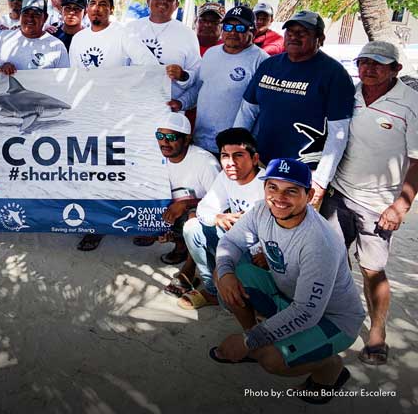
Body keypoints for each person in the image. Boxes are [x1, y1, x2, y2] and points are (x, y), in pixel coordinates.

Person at [213, 158, 365, 405]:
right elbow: (230, 243)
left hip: (333, 319)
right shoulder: (262, 209)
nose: (279, 197)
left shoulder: (318, 242)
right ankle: (257, 338)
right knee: (227, 276)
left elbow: (307, 312)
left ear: (310, 195)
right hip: (290, 297)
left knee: (272, 359)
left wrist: (247, 342)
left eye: (291, 191)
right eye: (272, 187)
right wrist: (227, 274)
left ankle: (330, 368)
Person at [320, 41, 418, 366]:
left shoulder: (411, 103)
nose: (369, 68)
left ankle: (377, 332)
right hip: (339, 194)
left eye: (378, 63)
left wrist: (400, 206)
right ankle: (338, 317)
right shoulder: (350, 93)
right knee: (332, 261)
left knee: (372, 270)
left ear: (396, 69)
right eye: (364, 61)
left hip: (380, 205)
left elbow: (417, 161)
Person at [234, 10, 355, 209]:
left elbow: (338, 134)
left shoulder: (334, 74)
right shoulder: (269, 65)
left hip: (304, 172)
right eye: (290, 32)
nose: (294, 36)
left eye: (303, 32)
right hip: (263, 166)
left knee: (294, 234)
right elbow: (247, 112)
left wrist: (321, 180)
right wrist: (237, 152)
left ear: (320, 38)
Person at [69, 0, 156, 252]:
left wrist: (126, 91)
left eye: (103, 3)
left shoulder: (123, 34)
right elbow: (73, 78)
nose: (97, 8)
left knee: (118, 173)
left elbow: (149, 64)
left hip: (117, 117)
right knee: (91, 173)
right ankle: (95, 226)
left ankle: (128, 222)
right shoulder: (79, 39)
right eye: (92, 3)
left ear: (111, 9)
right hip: (86, 115)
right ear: (87, 9)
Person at [179, 128, 265, 310]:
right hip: (235, 242)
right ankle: (212, 291)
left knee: (235, 301)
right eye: (225, 156)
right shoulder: (226, 177)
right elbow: (204, 209)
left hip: (259, 253)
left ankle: (242, 297)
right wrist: (218, 217)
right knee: (192, 227)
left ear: (255, 159)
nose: (230, 163)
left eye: (238, 155)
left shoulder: (267, 185)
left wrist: (266, 252)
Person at [151, 113, 221, 297]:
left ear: (187, 138)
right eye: (160, 136)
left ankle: (189, 268)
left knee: (191, 215)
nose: (164, 142)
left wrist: (186, 204)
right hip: (171, 210)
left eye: (172, 137)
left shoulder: (205, 162)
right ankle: (180, 245)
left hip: (202, 216)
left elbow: (221, 202)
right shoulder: (152, 158)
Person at [191, 6, 268, 155]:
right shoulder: (210, 53)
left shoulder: (262, 61)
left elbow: (259, 109)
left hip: (233, 149)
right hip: (200, 141)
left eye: (240, 28)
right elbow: (198, 88)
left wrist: (240, 144)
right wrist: (180, 102)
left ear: (253, 31)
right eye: (228, 26)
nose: (232, 32)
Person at [125, 0, 200, 122]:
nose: (162, 1)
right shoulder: (131, 29)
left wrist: (182, 75)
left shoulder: (187, 34)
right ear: (148, 1)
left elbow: (197, 76)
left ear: (176, 5)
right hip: (133, 110)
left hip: (168, 113)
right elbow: (120, 68)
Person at [0, 0, 70, 74]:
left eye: (36, 14)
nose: (30, 18)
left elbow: (64, 78)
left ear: (45, 17)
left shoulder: (57, 46)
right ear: (20, 15)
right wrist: (0, 67)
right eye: (26, 13)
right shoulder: (3, 37)